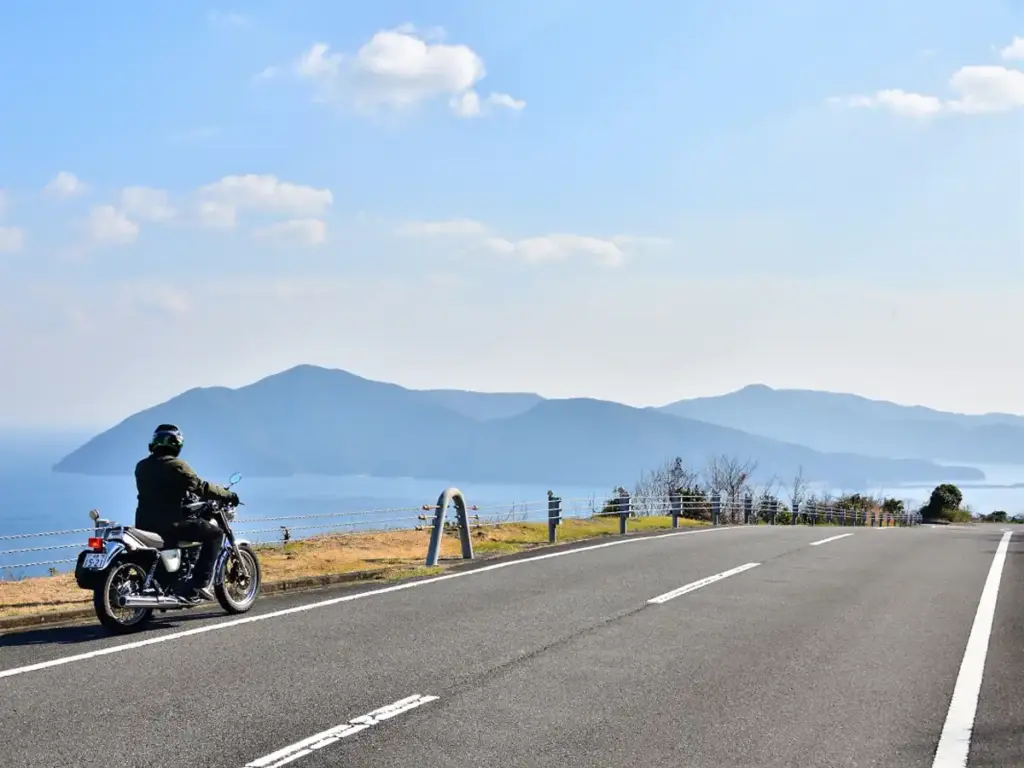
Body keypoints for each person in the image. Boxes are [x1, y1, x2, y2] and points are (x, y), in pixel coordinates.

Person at [134, 423, 239, 601]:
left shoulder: (141, 466)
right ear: (177, 445)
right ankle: (200, 582)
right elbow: (201, 487)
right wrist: (227, 494)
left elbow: (161, 490)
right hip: (171, 523)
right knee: (214, 533)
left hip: (144, 524)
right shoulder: (177, 466)